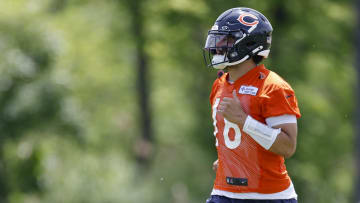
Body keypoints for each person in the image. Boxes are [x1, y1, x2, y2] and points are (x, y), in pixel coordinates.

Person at [203, 7, 301, 203]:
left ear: (247, 44)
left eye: (226, 40)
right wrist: (230, 159)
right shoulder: (219, 84)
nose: (217, 46)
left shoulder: (273, 87)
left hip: (268, 197)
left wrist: (243, 120)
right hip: (223, 193)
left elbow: (288, 146)